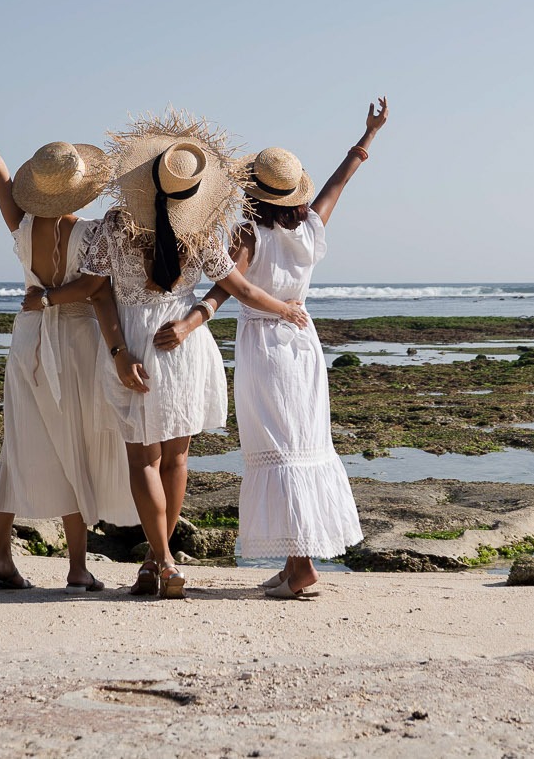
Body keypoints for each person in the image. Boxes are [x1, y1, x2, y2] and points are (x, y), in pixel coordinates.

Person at [156, 97, 387, 598]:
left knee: (280, 449)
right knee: (301, 444)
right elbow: (337, 184)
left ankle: (300, 567)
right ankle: (292, 563)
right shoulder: (309, 227)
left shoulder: (248, 232)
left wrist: (192, 323)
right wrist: (368, 136)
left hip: (266, 344)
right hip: (303, 345)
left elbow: (226, 287)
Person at [0, 77, 133, 592]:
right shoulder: (90, 232)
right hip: (75, 340)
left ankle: (1, 554)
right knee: (75, 447)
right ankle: (76, 567)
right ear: (80, 186)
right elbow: (95, 288)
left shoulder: (21, 225)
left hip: (28, 338)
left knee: (19, 444)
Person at [82, 111, 272, 599]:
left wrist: (120, 353)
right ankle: (158, 561)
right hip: (182, 344)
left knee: (143, 458)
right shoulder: (204, 230)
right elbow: (239, 288)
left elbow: (98, 295)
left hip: (135, 339)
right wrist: (284, 309)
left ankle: (160, 560)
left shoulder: (114, 225)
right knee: (175, 459)